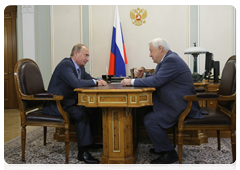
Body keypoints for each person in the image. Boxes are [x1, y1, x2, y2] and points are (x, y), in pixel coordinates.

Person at [121, 38, 204, 166]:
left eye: (151, 51)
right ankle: (161, 146)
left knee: (150, 119)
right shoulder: (166, 60)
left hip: (181, 104)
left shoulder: (171, 60)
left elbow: (157, 81)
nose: (149, 55)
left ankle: (169, 153)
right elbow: (158, 78)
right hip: (174, 101)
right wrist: (142, 76)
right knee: (147, 111)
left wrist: (131, 82)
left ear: (160, 48)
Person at [43, 44, 107, 164]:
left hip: (68, 103)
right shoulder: (65, 65)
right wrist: (95, 82)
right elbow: (76, 83)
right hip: (56, 104)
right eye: (86, 55)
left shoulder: (80, 67)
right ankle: (82, 152)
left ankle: (90, 142)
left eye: (88, 56)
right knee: (80, 113)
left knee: (93, 109)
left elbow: (89, 78)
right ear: (76, 53)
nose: (87, 59)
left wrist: (99, 80)